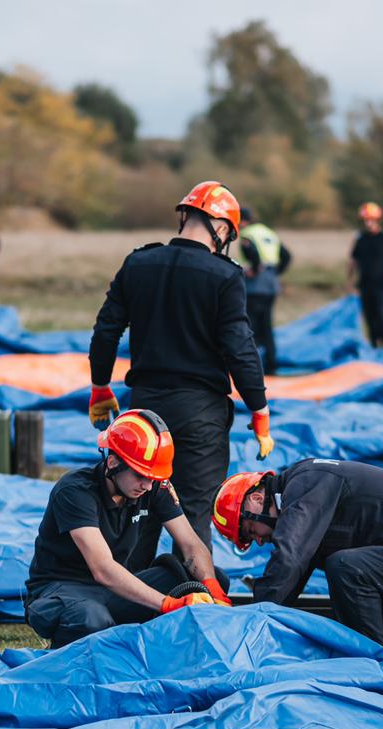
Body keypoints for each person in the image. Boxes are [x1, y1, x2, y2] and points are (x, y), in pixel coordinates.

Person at [89, 180, 275, 558]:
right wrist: (259, 408)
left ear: (185, 216)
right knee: (191, 516)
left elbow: (106, 330)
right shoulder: (224, 276)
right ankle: (193, 602)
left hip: (145, 412)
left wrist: (100, 387)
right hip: (200, 414)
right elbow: (240, 348)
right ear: (222, 229)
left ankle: (130, 599)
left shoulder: (138, 262)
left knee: (139, 510)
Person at [214, 458, 383, 657]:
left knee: (346, 572)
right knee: (381, 659)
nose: (259, 540)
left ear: (257, 498)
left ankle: (369, 669)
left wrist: (246, 624)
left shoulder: (306, 482)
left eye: (250, 532)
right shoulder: (305, 491)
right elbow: (291, 579)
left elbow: (290, 558)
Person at [25, 409, 232, 648]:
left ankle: (165, 646)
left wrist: (212, 586)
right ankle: (67, 649)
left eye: (152, 478)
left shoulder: (152, 485)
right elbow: (102, 569)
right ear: (113, 463)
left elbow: (191, 545)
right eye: (140, 475)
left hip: (111, 590)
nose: (146, 485)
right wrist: (167, 604)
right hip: (63, 591)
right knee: (93, 620)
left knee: (210, 580)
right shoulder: (75, 491)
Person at [238, 207, 292, 375]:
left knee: (250, 327)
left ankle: (251, 368)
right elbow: (287, 256)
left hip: (255, 286)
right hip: (271, 285)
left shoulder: (247, 234)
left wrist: (254, 269)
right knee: (267, 326)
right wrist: (275, 273)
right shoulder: (267, 232)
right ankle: (271, 365)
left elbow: (253, 255)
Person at [347, 202, 383, 349]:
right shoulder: (360, 238)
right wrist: (350, 281)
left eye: (371, 220)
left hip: (382, 283)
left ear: (377, 220)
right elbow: (353, 260)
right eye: (365, 220)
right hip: (364, 283)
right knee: (369, 315)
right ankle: (373, 344)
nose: (368, 223)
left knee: (381, 314)